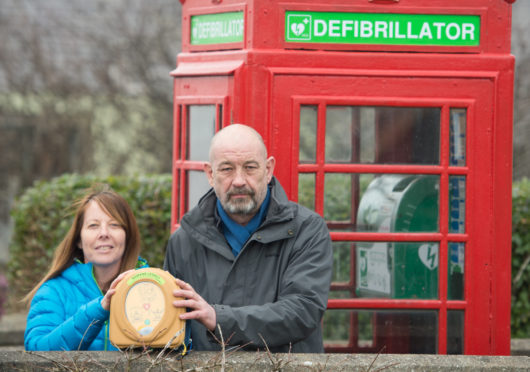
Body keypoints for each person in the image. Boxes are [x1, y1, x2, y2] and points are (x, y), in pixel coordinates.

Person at [164, 124, 333, 353]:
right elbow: (171, 328)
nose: (239, 180)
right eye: (227, 169)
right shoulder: (183, 241)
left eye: (250, 167)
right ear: (210, 174)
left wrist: (218, 319)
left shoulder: (307, 231)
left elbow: (302, 312)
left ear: (268, 169)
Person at [24, 184, 148, 351]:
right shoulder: (54, 291)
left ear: (127, 237)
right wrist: (99, 309)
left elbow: (174, 355)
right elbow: (36, 350)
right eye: (93, 226)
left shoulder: (149, 288)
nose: (104, 233)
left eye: (114, 225)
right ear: (79, 240)